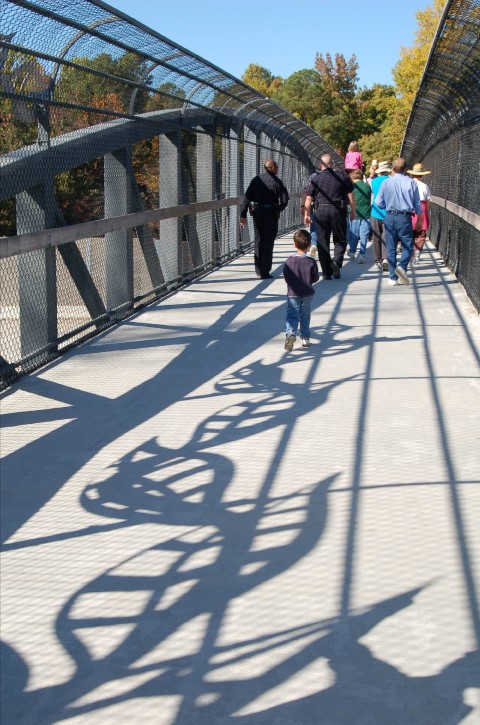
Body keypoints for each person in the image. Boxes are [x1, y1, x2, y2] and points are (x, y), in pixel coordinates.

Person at [304, 154, 355, 280]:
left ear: (321, 165)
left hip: (322, 210)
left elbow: (309, 198)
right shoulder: (343, 176)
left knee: (322, 242)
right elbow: (350, 195)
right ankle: (336, 262)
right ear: (331, 163)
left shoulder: (316, 179)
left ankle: (326, 272)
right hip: (338, 210)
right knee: (341, 238)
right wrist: (353, 210)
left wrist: (306, 214)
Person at [374, 158, 422, 286]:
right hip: (405, 217)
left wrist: (387, 205)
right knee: (407, 244)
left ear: (393, 169)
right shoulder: (412, 183)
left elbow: (378, 202)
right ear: (406, 169)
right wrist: (419, 219)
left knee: (391, 247)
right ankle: (402, 266)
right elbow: (417, 203)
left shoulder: (386, 183)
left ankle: (392, 277)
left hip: (389, 216)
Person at [239, 159, 289, 279]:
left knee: (258, 240)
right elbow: (285, 200)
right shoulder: (277, 182)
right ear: (272, 168)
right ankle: (265, 271)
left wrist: (243, 214)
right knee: (268, 242)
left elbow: (246, 198)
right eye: (276, 166)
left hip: (257, 213)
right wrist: (278, 209)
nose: (277, 169)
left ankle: (258, 269)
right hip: (271, 214)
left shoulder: (256, 180)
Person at [283, 228, 320, 351]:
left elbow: (286, 277)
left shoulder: (289, 261)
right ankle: (305, 338)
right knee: (305, 315)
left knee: (292, 315)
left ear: (294, 244)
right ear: (309, 245)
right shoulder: (311, 261)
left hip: (293, 293)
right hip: (307, 293)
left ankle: (290, 334)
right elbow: (315, 278)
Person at [407, 163, 432, 264]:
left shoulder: (408, 184)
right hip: (422, 208)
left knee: (410, 232)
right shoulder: (425, 186)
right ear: (422, 175)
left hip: (411, 209)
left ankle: (410, 252)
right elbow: (428, 200)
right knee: (421, 233)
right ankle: (417, 250)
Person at [370, 161, 392, 272]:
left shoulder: (374, 181)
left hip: (375, 211)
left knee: (376, 236)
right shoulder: (391, 181)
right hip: (388, 211)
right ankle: (386, 259)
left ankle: (377, 260)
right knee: (386, 235)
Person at [347, 169, 372, 263]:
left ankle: (352, 252)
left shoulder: (352, 187)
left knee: (353, 234)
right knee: (364, 235)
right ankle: (362, 254)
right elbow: (369, 200)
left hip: (355, 213)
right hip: (366, 213)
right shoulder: (367, 186)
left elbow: (349, 200)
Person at [300, 168, 320, 260]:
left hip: (313, 206)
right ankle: (320, 246)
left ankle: (314, 243)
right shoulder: (328, 178)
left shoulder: (311, 179)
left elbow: (306, 194)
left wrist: (303, 207)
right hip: (325, 206)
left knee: (313, 227)